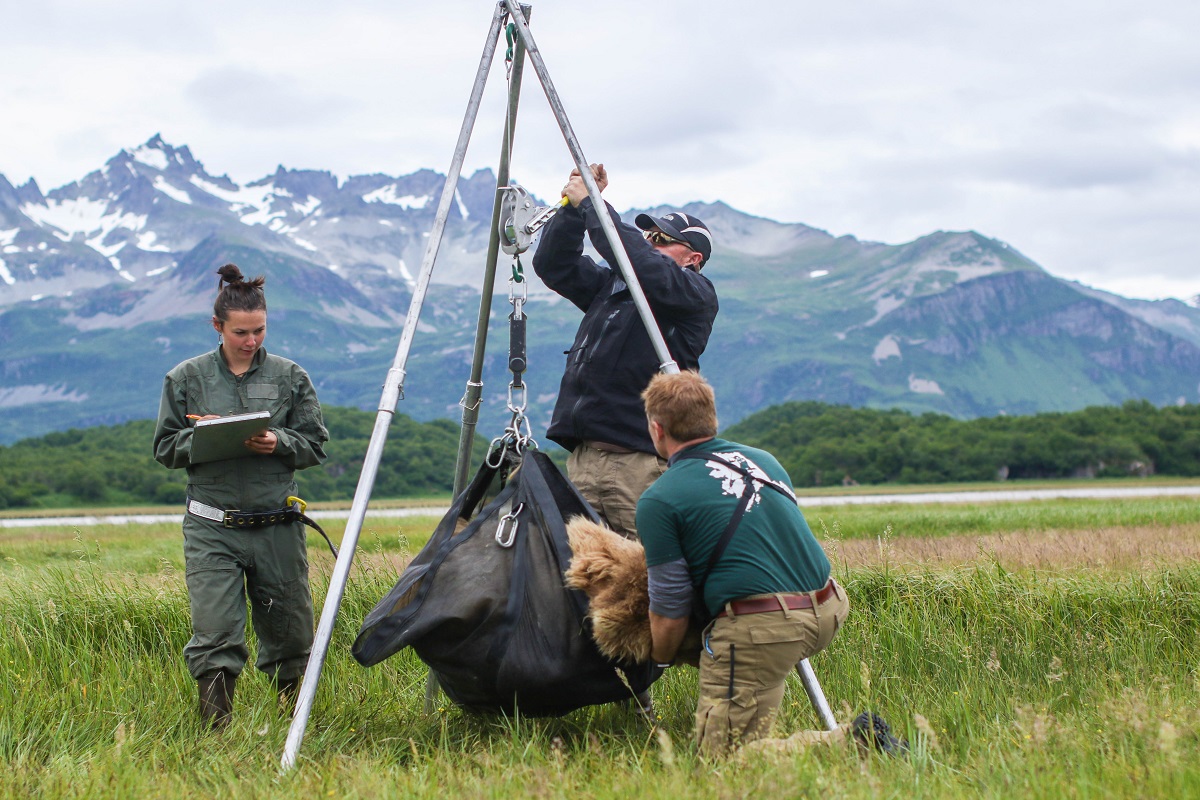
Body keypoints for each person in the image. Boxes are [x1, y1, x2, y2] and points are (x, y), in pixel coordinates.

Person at [635, 371, 850, 757]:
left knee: (723, 764)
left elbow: (669, 607)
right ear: (711, 418)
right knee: (753, 693)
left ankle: (850, 743)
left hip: (765, 626)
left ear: (657, 429)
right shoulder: (763, 460)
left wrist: (661, 661)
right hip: (829, 605)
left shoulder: (659, 499)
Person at [152, 263, 329, 730]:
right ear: (218, 327)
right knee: (215, 634)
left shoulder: (291, 376)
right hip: (212, 527)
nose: (251, 341)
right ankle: (216, 736)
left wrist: (280, 443)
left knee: (291, 635)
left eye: (259, 331)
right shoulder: (184, 378)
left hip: (277, 525)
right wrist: (206, 438)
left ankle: (294, 726)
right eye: (240, 333)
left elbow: (315, 445)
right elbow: (165, 447)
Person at [532, 163, 718, 540]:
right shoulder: (611, 289)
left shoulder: (693, 295)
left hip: (640, 463)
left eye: (663, 239)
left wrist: (595, 206)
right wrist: (572, 209)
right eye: (648, 235)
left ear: (693, 258)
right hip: (584, 459)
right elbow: (553, 265)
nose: (651, 242)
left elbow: (641, 265)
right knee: (581, 574)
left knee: (649, 572)